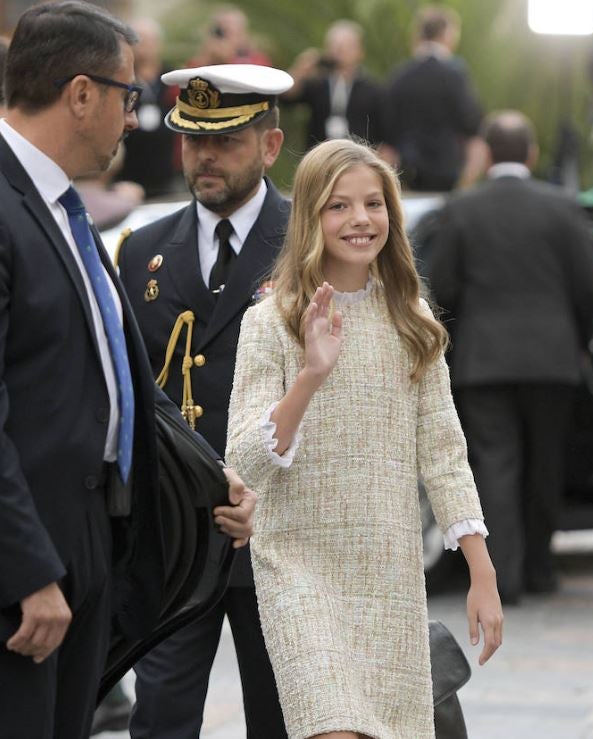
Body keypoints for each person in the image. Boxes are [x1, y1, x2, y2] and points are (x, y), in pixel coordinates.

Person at [0, 4, 255, 736]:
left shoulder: (61, 210)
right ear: (81, 94)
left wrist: (210, 476)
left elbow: (120, 373)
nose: (133, 119)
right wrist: (26, 568)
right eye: (129, 96)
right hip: (30, 561)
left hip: (85, 543)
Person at [225, 138, 503, 738]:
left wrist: (483, 574)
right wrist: (311, 374)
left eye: (373, 204)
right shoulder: (268, 323)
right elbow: (244, 461)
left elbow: (445, 455)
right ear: (310, 217)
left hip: (388, 576)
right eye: (338, 206)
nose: (359, 220)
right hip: (297, 569)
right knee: (332, 727)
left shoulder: (413, 322)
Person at [116, 64, 292, 738]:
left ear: (270, 146)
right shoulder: (143, 250)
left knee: (279, 718)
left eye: (227, 142)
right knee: (159, 719)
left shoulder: (309, 240)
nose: (206, 158)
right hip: (175, 537)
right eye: (194, 142)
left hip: (274, 532)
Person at [424, 111, 593, 603]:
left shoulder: (462, 208)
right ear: (533, 153)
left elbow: (443, 290)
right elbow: (589, 287)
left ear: (485, 151)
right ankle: (542, 570)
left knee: (496, 467)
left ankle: (507, 579)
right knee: (545, 464)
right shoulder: (563, 207)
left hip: (484, 362)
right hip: (552, 359)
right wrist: (577, 342)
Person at [382, 5, 484, 192]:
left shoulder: (400, 76)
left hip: (409, 175)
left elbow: (387, 139)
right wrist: (467, 181)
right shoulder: (455, 75)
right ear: (447, 34)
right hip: (447, 175)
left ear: (418, 34)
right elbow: (473, 128)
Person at [282, 20, 387, 149]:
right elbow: (286, 97)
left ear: (360, 51)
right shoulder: (318, 83)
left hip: (358, 156)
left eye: (346, 46)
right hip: (320, 154)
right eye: (334, 46)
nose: (339, 52)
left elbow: (383, 131)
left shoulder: (372, 90)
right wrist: (300, 70)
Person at [115, 18, 182, 198]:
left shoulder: (172, 79)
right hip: (127, 175)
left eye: (149, 40)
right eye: (138, 40)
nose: (144, 46)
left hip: (167, 174)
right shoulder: (121, 80)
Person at [188, 6, 272, 68]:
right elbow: (181, 88)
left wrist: (227, 60)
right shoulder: (200, 60)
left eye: (229, 31)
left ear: (243, 34)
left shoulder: (257, 60)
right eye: (220, 32)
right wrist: (205, 61)